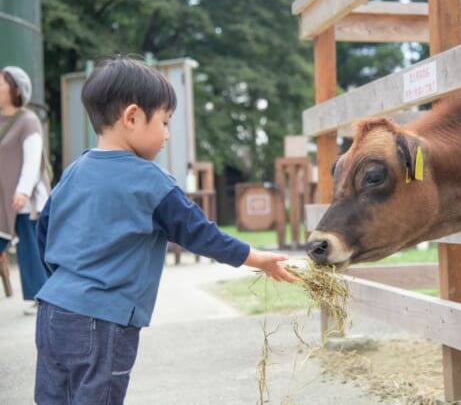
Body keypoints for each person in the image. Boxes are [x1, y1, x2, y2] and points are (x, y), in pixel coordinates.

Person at [34, 56, 296, 404]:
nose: (168, 135)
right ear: (132, 117)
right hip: (103, 321)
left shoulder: (73, 172)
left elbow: (45, 230)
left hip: (52, 310)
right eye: (165, 121)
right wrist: (256, 258)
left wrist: (62, 284)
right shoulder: (150, 182)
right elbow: (200, 233)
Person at [0, 66, 50, 315]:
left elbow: (32, 161)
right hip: (3, 201)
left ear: (15, 89)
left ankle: (41, 295)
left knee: (29, 247)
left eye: (1, 83)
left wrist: (22, 191)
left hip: (24, 200)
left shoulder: (28, 121)